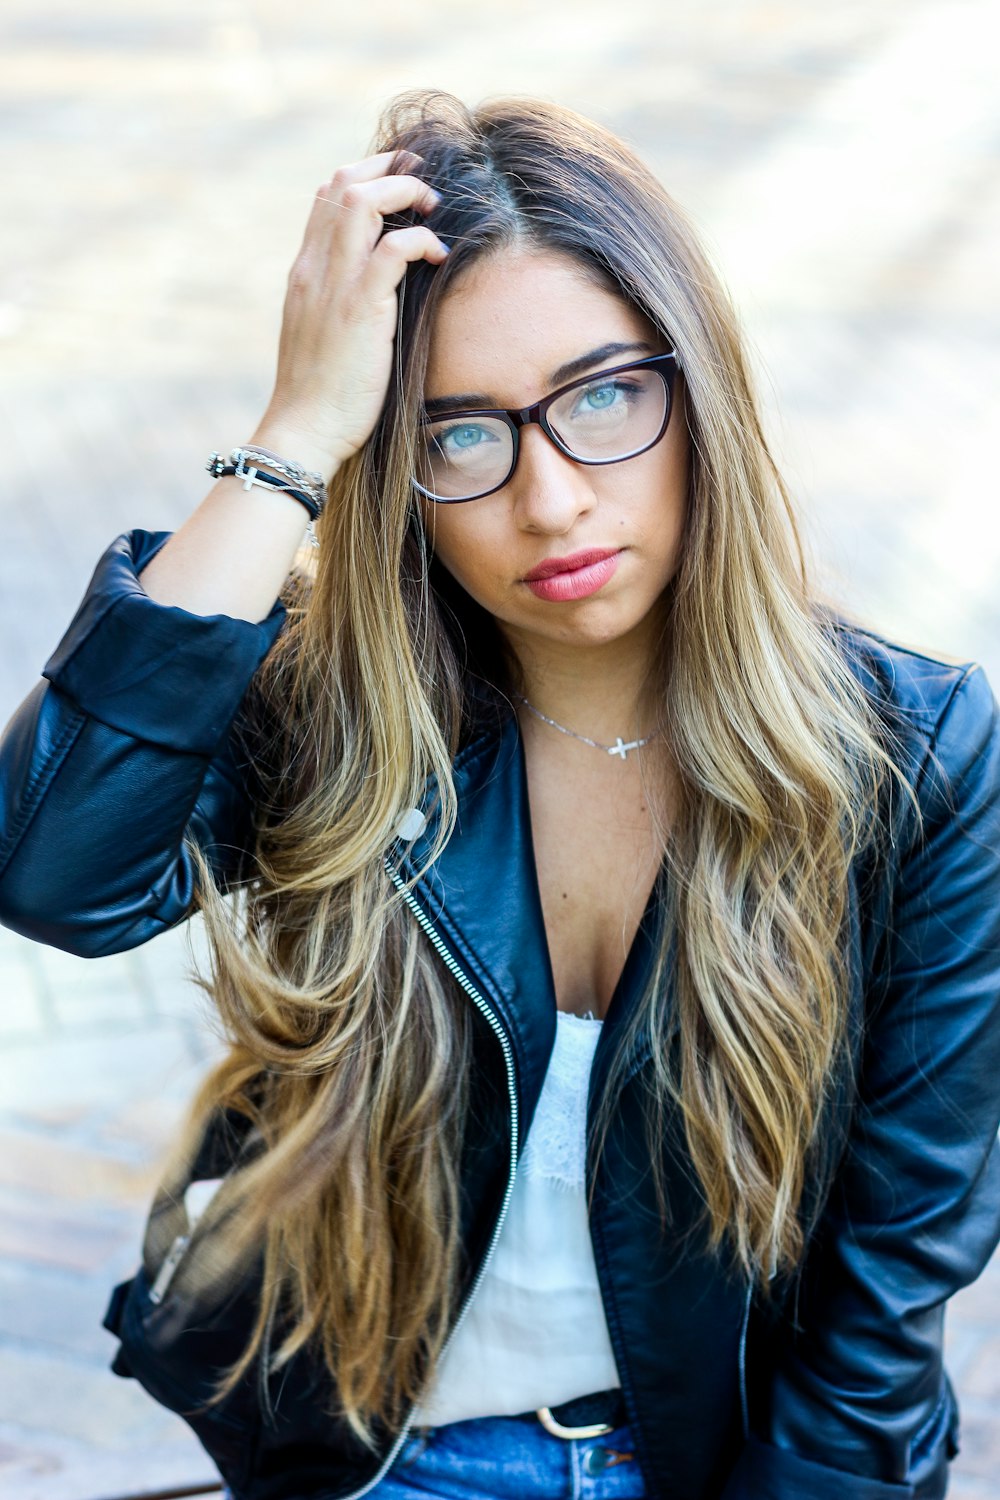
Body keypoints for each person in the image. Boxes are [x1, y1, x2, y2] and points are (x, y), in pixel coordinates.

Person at [0, 89, 998, 1500]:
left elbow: (890, 1285)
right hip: (369, 1462)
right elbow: (54, 873)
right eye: (460, 437)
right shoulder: (337, 708)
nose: (551, 501)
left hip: (716, 1472)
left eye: (603, 399)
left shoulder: (916, 755)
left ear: (696, 389)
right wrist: (291, 439)